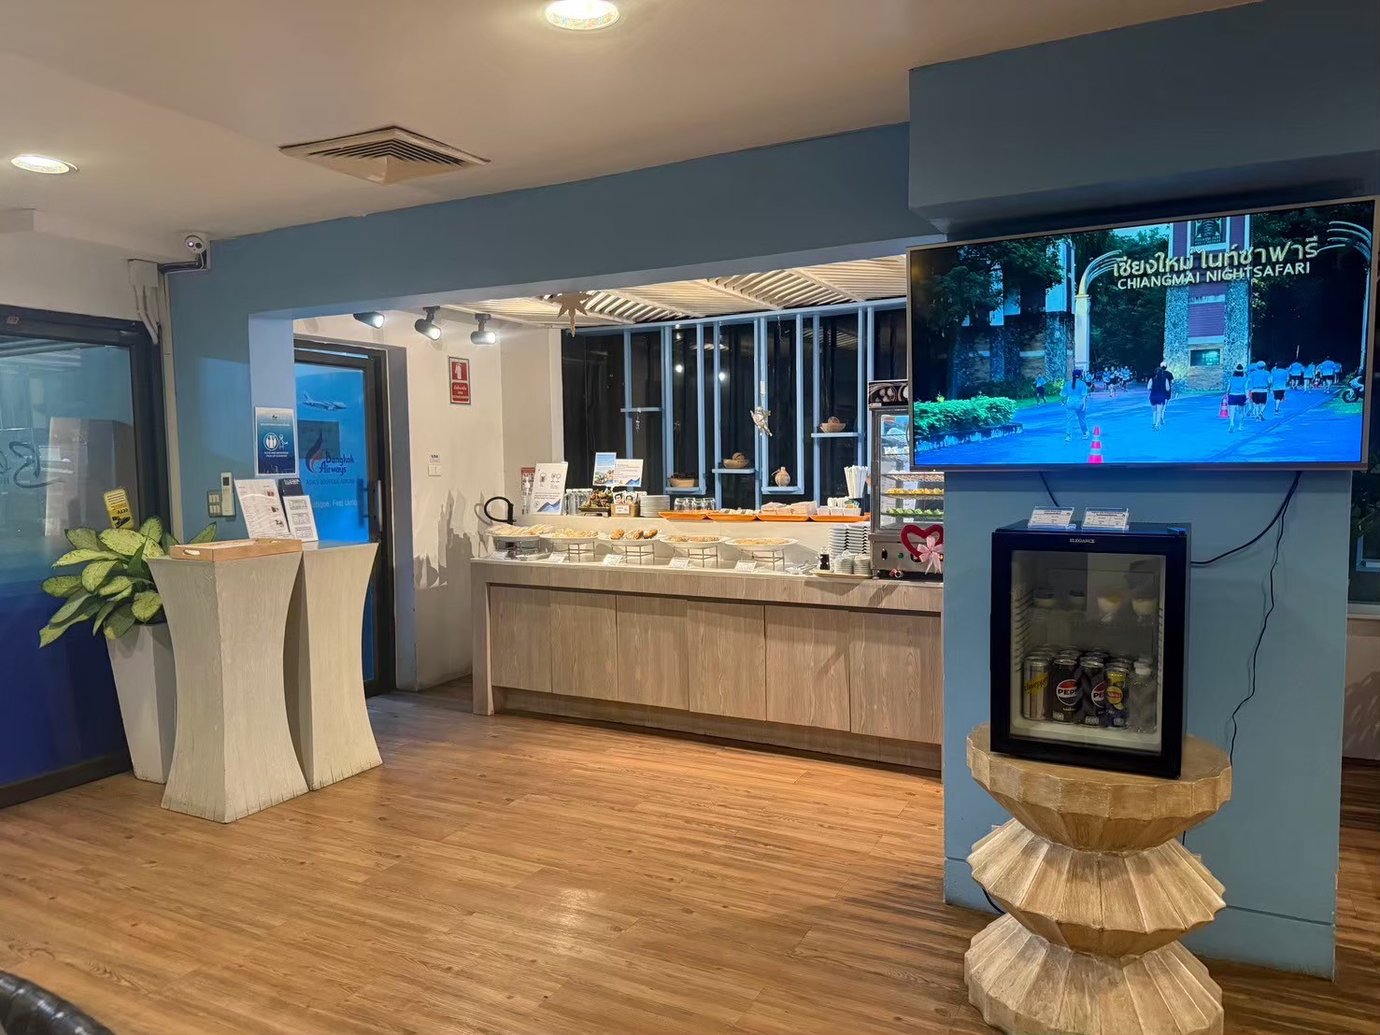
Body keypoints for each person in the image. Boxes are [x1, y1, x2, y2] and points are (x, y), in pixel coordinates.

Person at [1062, 368, 1089, 442]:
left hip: (1070, 403)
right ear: (1080, 375)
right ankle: (1085, 433)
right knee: (1082, 419)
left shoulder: (1068, 383)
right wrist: (1084, 405)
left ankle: (1068, 436)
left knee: (1069, 420)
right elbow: (1084, 396)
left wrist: (1063, 402)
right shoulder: (1082, 384)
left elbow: (1063, 394)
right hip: (1079, 403)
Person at [1148, 360, 1174, 431]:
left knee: (1154, 411)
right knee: (1160, 411)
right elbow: (1168, 388)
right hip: (1162, 395)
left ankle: (1153, 423)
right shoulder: (1166, 378)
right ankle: (1157, 424)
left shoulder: (1152, 379)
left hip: (1153, 395)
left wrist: (1153, 388)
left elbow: (1148, 387)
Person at [1226, 363, 1248, 432]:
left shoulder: (1231, 379)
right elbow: (1246, 388)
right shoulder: (1245, 379)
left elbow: (1228, 388)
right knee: (1241, 412)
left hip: (1232, 395)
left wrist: (1227, 394)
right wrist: (1247, 398)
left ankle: (1232, 423)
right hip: (1241, 395)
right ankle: (1240, 426)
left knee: (1232, 411)